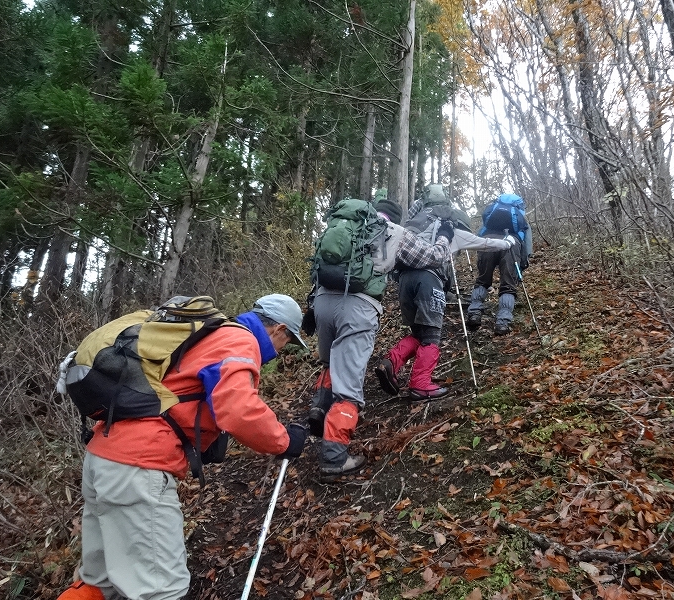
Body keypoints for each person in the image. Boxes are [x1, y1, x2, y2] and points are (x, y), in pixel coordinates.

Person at [57, 294, 309, 600]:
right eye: (287, 342)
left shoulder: (205, 334)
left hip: (104, 458)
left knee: (99, 582)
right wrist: (283, 441)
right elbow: (238, 408)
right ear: (278, 329)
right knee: (163, 590)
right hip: (139, 467)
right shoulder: (239, 340)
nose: (281, 351)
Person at [309, 194, 455, 479]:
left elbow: (319, 266)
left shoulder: (342, 226)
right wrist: (445, 237)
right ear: (395, 218)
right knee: (349, 386)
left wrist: (311, 307)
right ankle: (334, 457)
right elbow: (433, 257)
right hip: (357, 306)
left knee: (329, 363)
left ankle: (319, 408)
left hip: (322, 302)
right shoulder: (394, 232)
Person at [375, 185, 517, 401]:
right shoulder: (450, 229)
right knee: (431, 335)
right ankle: (420, 384)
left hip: (403, 281)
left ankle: (391, 363)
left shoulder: (414, 227)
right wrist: (507, 242)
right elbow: (485, 244)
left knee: (418, 333)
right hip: (429, 281)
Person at [466, 193, 533, 335]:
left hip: (488, 242)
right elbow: (527, 244)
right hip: (511, 245)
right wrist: (523, 263)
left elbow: (481, 232)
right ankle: (503, 321)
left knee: (483, 280)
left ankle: (474, 313)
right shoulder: (520, 216)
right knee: (508, 284)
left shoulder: (493, 212)